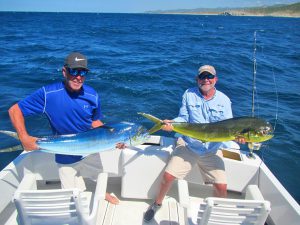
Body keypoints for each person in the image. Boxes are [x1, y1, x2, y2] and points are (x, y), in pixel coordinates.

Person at [8, 52, 120, 204]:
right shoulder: (48, 94)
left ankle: (104, 193)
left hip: (91, 148)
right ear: (64, 71)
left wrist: (115, 137)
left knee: (100, 176)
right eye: (74, 71)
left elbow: (95, 122)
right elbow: (15, 110)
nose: (78, 76)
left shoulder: (92, 94)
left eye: (83, 72)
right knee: (72, 196)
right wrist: (24, 137)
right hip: (65, 153)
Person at [143, 65, 245, 222]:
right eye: (202, 77)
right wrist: (172, 123)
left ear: (215, 80)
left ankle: (216, 216)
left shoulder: (224, 100)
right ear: (197, 80)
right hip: (189, 145)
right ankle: (157, 203)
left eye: (209, 77)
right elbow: (183, 118)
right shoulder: (188, 94)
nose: (206, 79)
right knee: (168, 176)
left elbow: (229, 127)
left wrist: (238, 137)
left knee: (222, 187)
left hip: (212, 149)